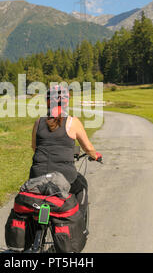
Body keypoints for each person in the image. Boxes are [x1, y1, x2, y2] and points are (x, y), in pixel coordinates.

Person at [29, 85, 102, 214]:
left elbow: (35, 148)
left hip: (37, 174)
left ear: (47, 101)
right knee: (82, 185)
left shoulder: (38, 122)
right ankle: (80, 224)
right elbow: (88, 147)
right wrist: (95, 156)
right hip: (65, 176)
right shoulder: (72, 122)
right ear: (66, 102)